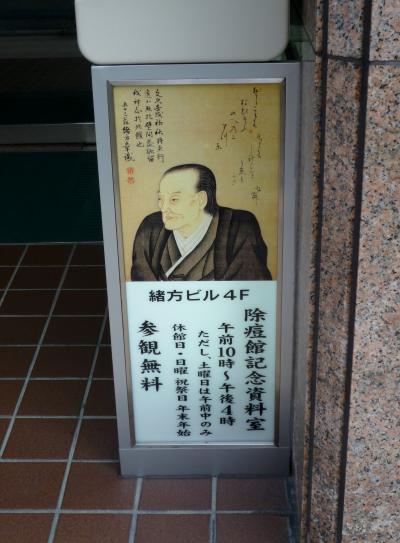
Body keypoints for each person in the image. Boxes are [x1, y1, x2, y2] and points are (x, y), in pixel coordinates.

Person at [131, 163, 272, 281]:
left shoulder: (238, 226)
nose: (164, 208)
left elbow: (251, 287)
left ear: (201, 200)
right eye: (161, 199)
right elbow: (141, 289)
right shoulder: (150, 228)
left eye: (174, 199)